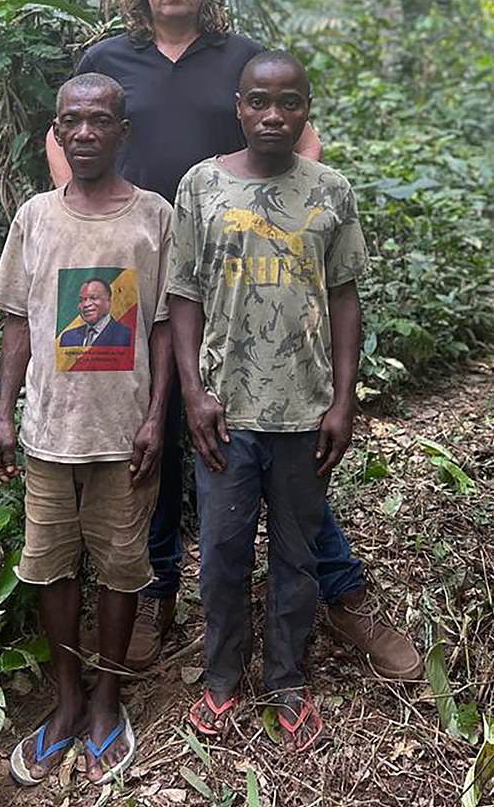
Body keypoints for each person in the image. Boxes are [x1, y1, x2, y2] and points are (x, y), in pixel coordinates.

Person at [46, 0, 422, 682]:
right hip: (127, 281)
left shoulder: (244, 60)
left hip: (239, 281)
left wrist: (280, 227)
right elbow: (67, 136)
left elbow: (301, 147)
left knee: (280, 436)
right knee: (149, 437)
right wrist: (91, 221)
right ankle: (154, 592)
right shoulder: (108, 58)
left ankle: (339, 593)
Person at [169, 50, 366, 748]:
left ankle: (287, 677)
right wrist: (193, 391)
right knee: (221, 552)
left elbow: (344, 296)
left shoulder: (331, 189)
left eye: (289, 102)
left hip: (304, 413)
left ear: (307, 108)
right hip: (225, 413)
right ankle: (221, 677)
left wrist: (343, 400)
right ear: (239, 106)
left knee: (297, 554)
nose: (274, 115)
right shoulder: (200, 187)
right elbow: (183, 294)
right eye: (259, 101)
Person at [0, 73, 173, 786]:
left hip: (125, 437)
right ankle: (65, 704)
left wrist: (157, 418)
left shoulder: (152, 217)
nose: (87, 132)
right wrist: (4, 415)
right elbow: (17, 325)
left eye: (101, 121)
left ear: (123, 132)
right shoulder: (35, 216)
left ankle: (106, 700)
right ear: (58, 133)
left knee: (123, 569)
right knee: (49, 566)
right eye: (74, 121)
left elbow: (162, 324)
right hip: (47, 436)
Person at [60, 278, 132, 347]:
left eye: (93, 298)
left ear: (108, 301)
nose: (86, 304)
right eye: (81, 300)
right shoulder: (67, 338)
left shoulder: (126, 336)